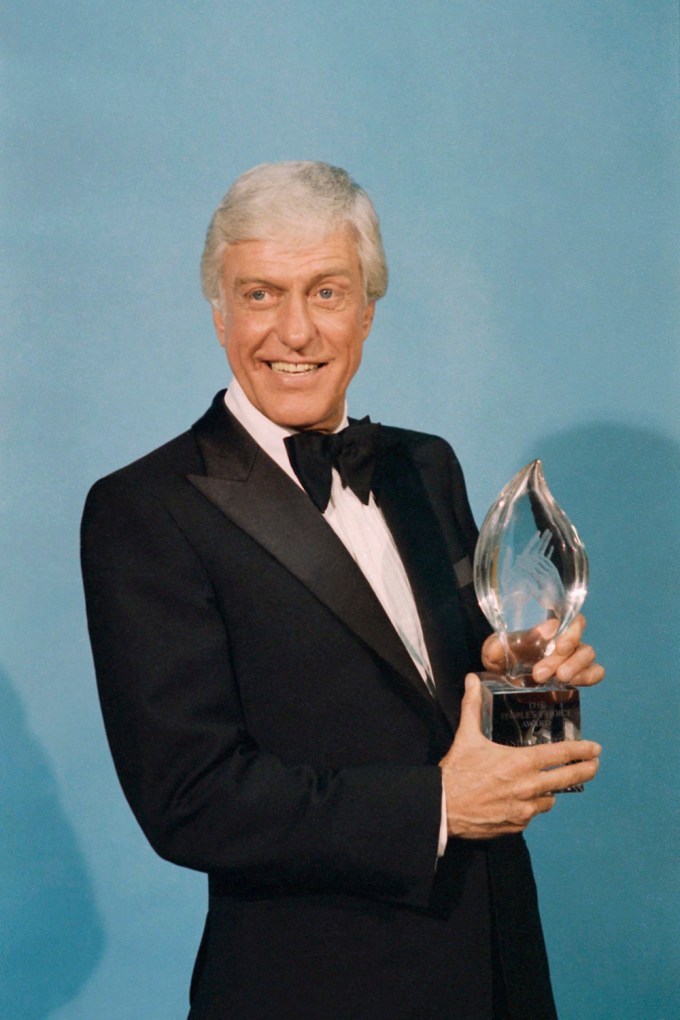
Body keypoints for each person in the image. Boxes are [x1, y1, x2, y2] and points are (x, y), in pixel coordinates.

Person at [81, 161, 603, 1020]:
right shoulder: (145, 509)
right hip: (315, 987)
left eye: (326, 292)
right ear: (218, 313)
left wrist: (519, 670)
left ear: (366, 310)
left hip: (499, 968)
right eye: (260, 295)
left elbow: (433, 690)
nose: (294, 331)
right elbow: (190, 800)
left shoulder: (423, 465)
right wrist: (439, 804)